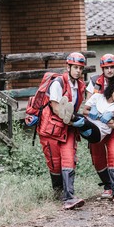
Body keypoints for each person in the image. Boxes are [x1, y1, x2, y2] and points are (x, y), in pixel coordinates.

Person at [26, 52, 86, 210]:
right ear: (68, 67)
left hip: (69, 128)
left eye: (81, 68)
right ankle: (58, 192)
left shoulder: (80, 86)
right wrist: (70, 118)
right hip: (51, 128)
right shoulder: (58, 83)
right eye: (75, 67)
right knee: (54, 164)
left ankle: (69, 197)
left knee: (69, 159)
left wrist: (79, 120)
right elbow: (55, 106)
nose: (78, 71)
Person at [85, 54, 114, 203]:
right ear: (102, 68)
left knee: (113, 155)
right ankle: (107, 186)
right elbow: (88, 103)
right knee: (97, 156)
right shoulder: (94, 81)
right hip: (96, 126)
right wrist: (93, 113)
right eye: (106, 68)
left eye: (112, 67)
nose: (109, 70)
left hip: (112, 126)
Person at [58, 77, 114, 144]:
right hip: (86, 128)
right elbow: (85, 111)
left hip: (97, 134)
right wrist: (103, 118)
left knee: (84, 121)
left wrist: (101, 118)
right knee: (80, 116)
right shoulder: (98, 97)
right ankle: (67, 113)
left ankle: (70, 119)